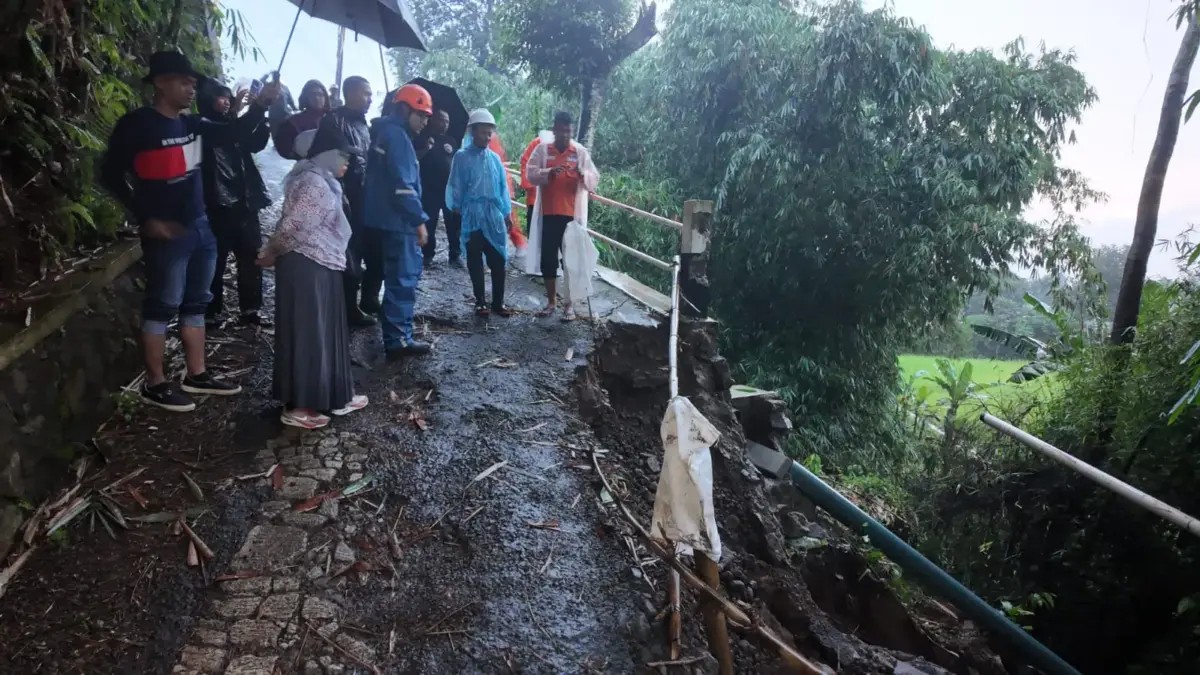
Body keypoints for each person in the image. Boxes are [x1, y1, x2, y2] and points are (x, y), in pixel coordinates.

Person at [100, 51, 281, 411]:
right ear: (160, 83)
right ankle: (155, 383)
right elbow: (109, 174)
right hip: (166, 234)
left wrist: (261, 105)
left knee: (196, 303)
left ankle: (196, 374)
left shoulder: (192, 125)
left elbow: (236, 134)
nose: (190, 88)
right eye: (183, 82)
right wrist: (145, 216)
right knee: (161, 305)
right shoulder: (139, 125)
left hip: (201, 227)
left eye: (193, 83)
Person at [257, 123, 369, 429]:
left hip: (323, 264)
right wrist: (271, 251)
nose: (348, 161)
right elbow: (294, 226)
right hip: (305, 264)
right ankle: (300, 404)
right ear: (326, 154)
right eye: (343, 155)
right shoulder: (313, 183)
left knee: (327, 330)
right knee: (308, 333)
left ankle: (335, 394)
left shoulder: (326, 181)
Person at [364, 84, 433, 359]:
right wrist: (419, 221)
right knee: (403, 279)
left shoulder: (385, 132)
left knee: (396, 278)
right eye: (422, 114)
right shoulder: (398, 137)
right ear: (405, 109)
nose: (425, 122)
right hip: (399, 221)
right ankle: (398, 339)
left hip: (384, 219)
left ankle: (396, 335)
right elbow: (404, 187)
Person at [197, 81, 272, 328]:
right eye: (220, 97)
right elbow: (233, 133)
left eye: (229, 97)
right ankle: (211, 309)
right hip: (218, 203)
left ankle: (250, 309)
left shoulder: (230, 124)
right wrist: (258, 107)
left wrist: (264, 117)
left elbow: (254, 144)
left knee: (251, 255)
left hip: (245, 200)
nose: (227, 101)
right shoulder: (202, 126)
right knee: (215, 260)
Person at [525, 111, 600, 320]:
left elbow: (594, 178)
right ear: (554, 130)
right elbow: (529, 173)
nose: (565, 134)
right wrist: (548, 173)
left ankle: (569, 305)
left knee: (571, 261)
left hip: (571, 217)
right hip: (548, 214)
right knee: (548, 260)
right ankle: (551, 302)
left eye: (568, 131)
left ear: (572, 131)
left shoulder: (579, 152)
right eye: (561, 130)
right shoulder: (542, 150)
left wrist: (583, 175)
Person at [446, 110, 513, 318]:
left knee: (498, 260)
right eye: (483, 132)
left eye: (489, 133)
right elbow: (455, 184)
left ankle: (498, 302)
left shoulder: (494, 159)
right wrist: (456, 207)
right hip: (472, 216)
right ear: (473, 132)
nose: (487, 137)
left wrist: (506, 213)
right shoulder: (462, 157)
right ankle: (480, 302)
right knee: (475, 260)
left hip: (493, 216)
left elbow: (502, 187)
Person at [325, 75, 379, 326]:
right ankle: (345, 308)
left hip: (365, 198)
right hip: (343, 197)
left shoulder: (364, 124)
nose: (370, 99)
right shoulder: (334, 120)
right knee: (346, 254)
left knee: (361, 251)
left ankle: (357, 303)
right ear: (350, 93)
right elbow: (330, 159)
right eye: (365, 93)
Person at [419, 109, 462, 267]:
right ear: (433, 120)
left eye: (447, 121)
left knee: (453, 222)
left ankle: (455, 255)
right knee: (430, 222)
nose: (444, 124)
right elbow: (416, 160)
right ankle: (427, 255)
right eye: (441, 120)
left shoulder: (451, 140)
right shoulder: (423, 137)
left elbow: (456, 162)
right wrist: (426, 148)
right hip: (430, 189)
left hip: (449, 189)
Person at [273, 80, 329, 160]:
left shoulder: (335, 121)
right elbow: (284, 150)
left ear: (325, 97)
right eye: (312, 94)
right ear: (306, 97)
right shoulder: (292, 122)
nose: (316, 98)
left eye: (320, 94)